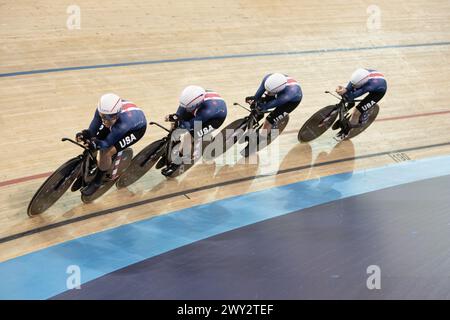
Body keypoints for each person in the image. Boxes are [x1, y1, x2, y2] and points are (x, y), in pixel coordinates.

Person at [75, 93, 147, 195]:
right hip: (118, 121)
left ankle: (97, 181)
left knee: (107, 152)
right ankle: (90, 167)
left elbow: (106, 143)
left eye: (107, 118)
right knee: (93, 140)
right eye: (102, 117)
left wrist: (96, 144)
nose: (104, 121)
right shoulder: (103, 110)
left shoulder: (123, 123)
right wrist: (85, 135)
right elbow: (93, 130)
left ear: (116, 115)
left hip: (136, 130)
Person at [162, 85, 227, 177]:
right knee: (176, 122)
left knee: (189, 136)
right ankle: (172, 143)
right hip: (200, 110)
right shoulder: (190, 98)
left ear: (197, 104)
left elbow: (190, 125)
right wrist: (175, 118)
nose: (186, 109)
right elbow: (181, 111)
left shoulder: (207, 111)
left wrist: (180, 122)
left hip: (215, 119)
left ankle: (177, 162)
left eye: (188, 107)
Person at [335, 68, 387, 140]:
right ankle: (351, 104)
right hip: (373, 81)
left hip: (378, 93)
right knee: (350, 89)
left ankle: (346, 131)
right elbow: (352, 83)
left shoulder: (369, 86)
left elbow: (353, 95)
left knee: (356, 112)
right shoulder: (360, 74)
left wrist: (343, 92)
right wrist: (346, 89)